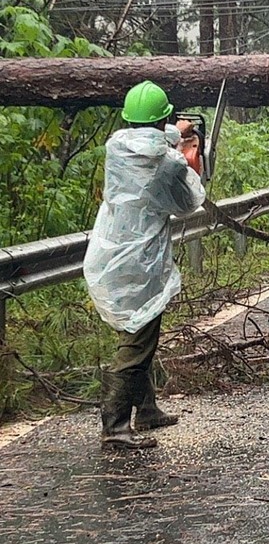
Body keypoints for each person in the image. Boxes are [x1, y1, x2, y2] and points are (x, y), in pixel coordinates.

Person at [83, 80, 206, 449]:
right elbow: (188, 201)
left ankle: (147, 408)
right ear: (164, 117)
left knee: (142, 330)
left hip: (111, 250)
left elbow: (149, 142)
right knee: (137, 341)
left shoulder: (118, 149)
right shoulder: (165, 162)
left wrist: (173, 135)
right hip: (141, 259)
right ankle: (115, 425)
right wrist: (185, 149)